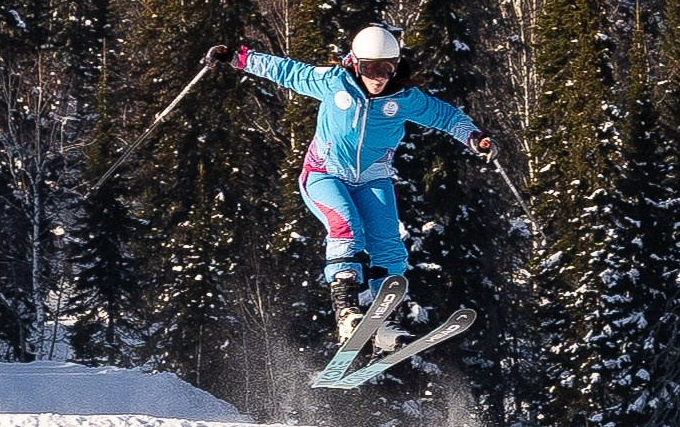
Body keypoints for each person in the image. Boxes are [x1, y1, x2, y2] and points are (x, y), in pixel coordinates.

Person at [208, 23, 492, 349]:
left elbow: (445, 116)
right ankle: (347, 312)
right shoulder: (333, 83)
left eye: (387, 67)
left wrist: (475, 137)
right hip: (323, 174)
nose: (379, 76)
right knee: (346, 227)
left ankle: (380, 324)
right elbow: (285, 71)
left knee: (389, 246)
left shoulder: (404, 99)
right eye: (371, 67)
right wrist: (237, 58)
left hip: (373, 178)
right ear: (356, 63)